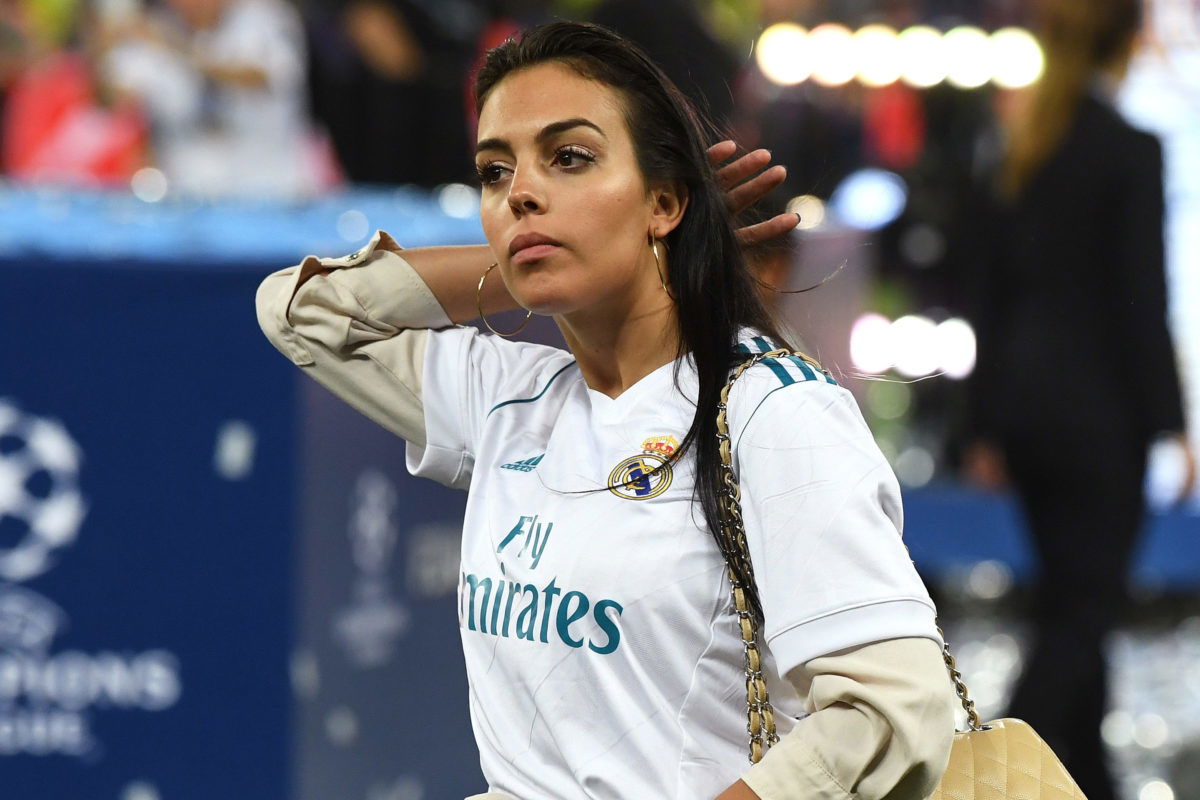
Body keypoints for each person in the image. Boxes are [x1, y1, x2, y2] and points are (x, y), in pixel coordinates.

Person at [258, 22, 954, 800]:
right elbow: (302, 312)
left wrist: (564, 242)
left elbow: (894, 712)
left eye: (569, 158)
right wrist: (524, 255)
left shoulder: (771, 409)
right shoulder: (511, 398)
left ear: (665, 201)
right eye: (495, 172)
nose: (520, 192)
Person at [959, 2, 1195, 798]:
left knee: (1067, 596)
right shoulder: (1129, 148)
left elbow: (987, 299)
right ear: (1130, 40)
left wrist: (982, 425)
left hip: (1026, 415)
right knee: (1082, 613)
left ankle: (1089, 778)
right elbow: (1140, 301)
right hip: (1101, 421)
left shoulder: (1022, 144)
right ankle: (984, 776)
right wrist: (1174, 424)